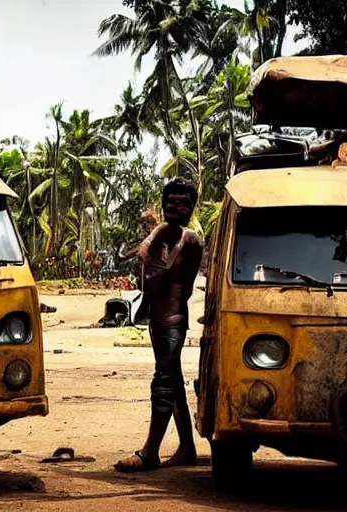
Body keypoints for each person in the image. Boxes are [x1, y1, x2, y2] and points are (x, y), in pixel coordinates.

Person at [114, 178, 205, 472]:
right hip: (158, 320)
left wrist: (155, 234)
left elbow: (159, 276)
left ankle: (150, 451)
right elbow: (145, 278)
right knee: (174, 381)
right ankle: (187, 448)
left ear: (192, 209)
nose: (177, 207)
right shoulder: (165, 238)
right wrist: (155, 236)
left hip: (172, 321)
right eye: (172, 201)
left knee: (163, 382)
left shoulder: (188, 240)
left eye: (184, 203)